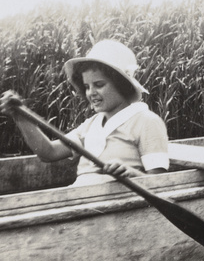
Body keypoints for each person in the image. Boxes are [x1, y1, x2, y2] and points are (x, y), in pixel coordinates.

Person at [0, 39, 169, 186]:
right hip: (82, 198)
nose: (91, 93)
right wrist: (20, 116)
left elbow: (161, 184)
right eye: (87, 87)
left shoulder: (146, 121)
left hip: (114, 208)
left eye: (99, 85)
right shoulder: (92, 124)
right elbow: (48, 152)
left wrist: (131, 173)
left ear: (121, 85)